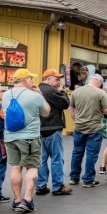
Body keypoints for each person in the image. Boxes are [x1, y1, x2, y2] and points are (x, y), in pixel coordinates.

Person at [1, 69, 51, 213]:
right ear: (26, 79)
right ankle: (27, 199)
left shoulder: (5, 95)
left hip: (10, 137)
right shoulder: (34, 96)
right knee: (32, 167)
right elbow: (46, 112)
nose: (32, 81)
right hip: (29, 137)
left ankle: (16, 200)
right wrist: (40, 93)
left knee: (15, 167)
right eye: (31, 78)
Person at [68, 73, 107, 187]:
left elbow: (71, 109)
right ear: (99, 82)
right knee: (91, 154)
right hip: (94, 127)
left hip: (79, 127)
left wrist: (76, 120)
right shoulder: (101, 93)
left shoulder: (76, 92)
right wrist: (99, 110)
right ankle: (88, 179)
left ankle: (74, 177)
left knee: (77, 152)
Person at [36, 69, 72, 197]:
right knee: (57, 158)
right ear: (48, 78)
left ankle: (41, 185)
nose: (58, 82)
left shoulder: (36, 90)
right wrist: (61, 91)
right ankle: (58, 185)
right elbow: (66, 103)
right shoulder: (50, 91)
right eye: (56, 79)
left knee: (41, 159)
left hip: (38, 129)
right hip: (52, 127)